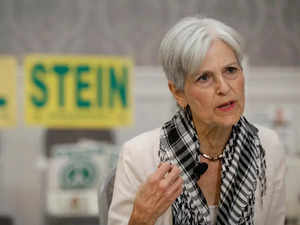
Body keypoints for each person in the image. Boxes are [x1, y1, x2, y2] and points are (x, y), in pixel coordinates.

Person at [107, 16, 286, 225]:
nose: (224, 88)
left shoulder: (268, 147)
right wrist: (141, 217)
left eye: (230, 70)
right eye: (204, 78)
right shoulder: (138, 156)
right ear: (179, 93)